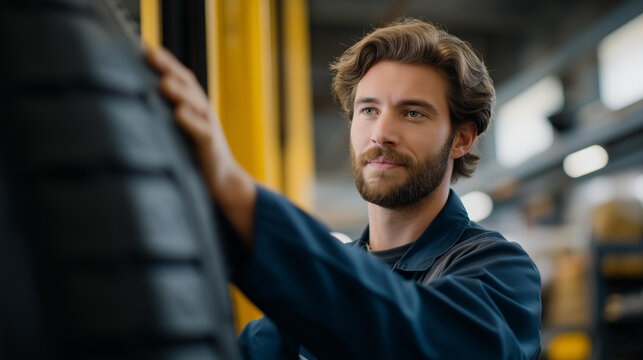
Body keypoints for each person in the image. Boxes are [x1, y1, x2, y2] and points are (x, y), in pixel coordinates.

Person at [147, 18, 541, 359]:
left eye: (413, 113)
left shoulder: (501, 271)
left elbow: (419, 339)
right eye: (368, 110)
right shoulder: (322, 283)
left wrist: (237, 194)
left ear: (462, 139)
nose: (382, 134)